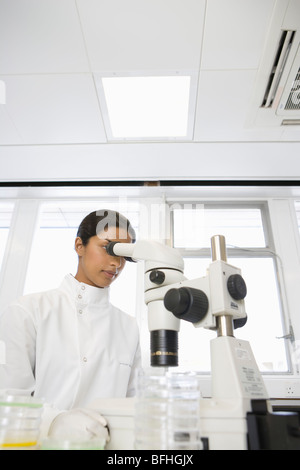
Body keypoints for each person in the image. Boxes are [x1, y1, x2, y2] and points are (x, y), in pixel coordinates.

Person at [0, 209, 141, 443]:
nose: (116, 262)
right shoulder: (28, 311)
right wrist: (54, 422)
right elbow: (8, 399)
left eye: (124, 255)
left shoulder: (128, 327)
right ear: (79, 246)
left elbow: (132, 403)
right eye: (108, 247)